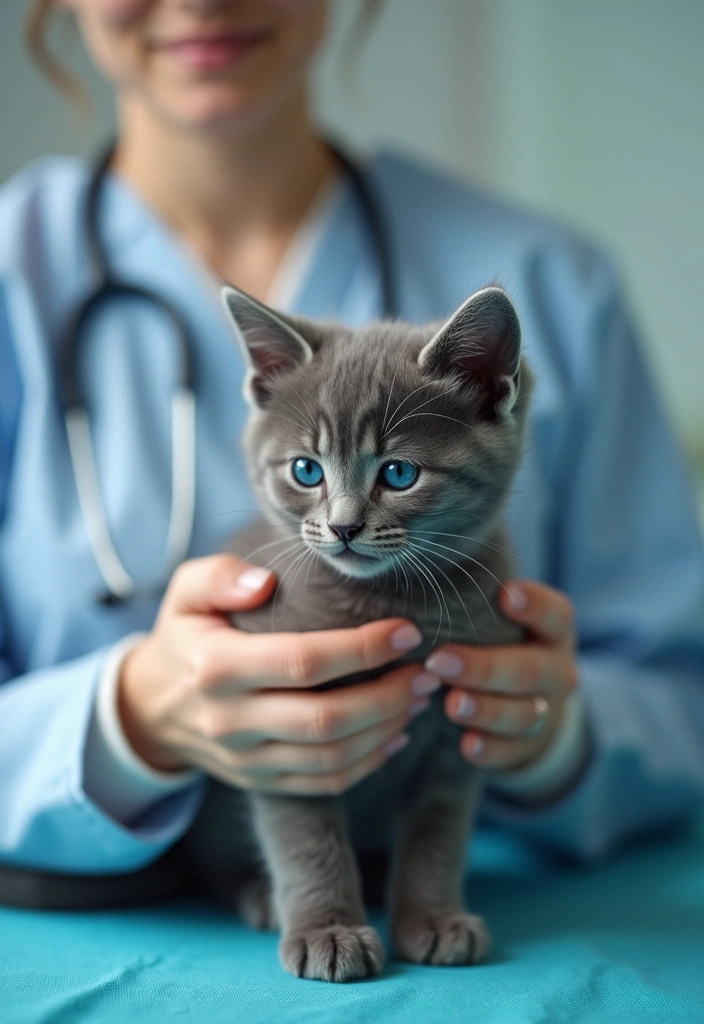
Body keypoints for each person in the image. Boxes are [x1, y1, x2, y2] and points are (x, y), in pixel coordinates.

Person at [0, 0, 702, 880]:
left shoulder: (554, 283)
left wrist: (553, 735)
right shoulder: (13, 281)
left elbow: (686, 702)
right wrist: (126, 722)